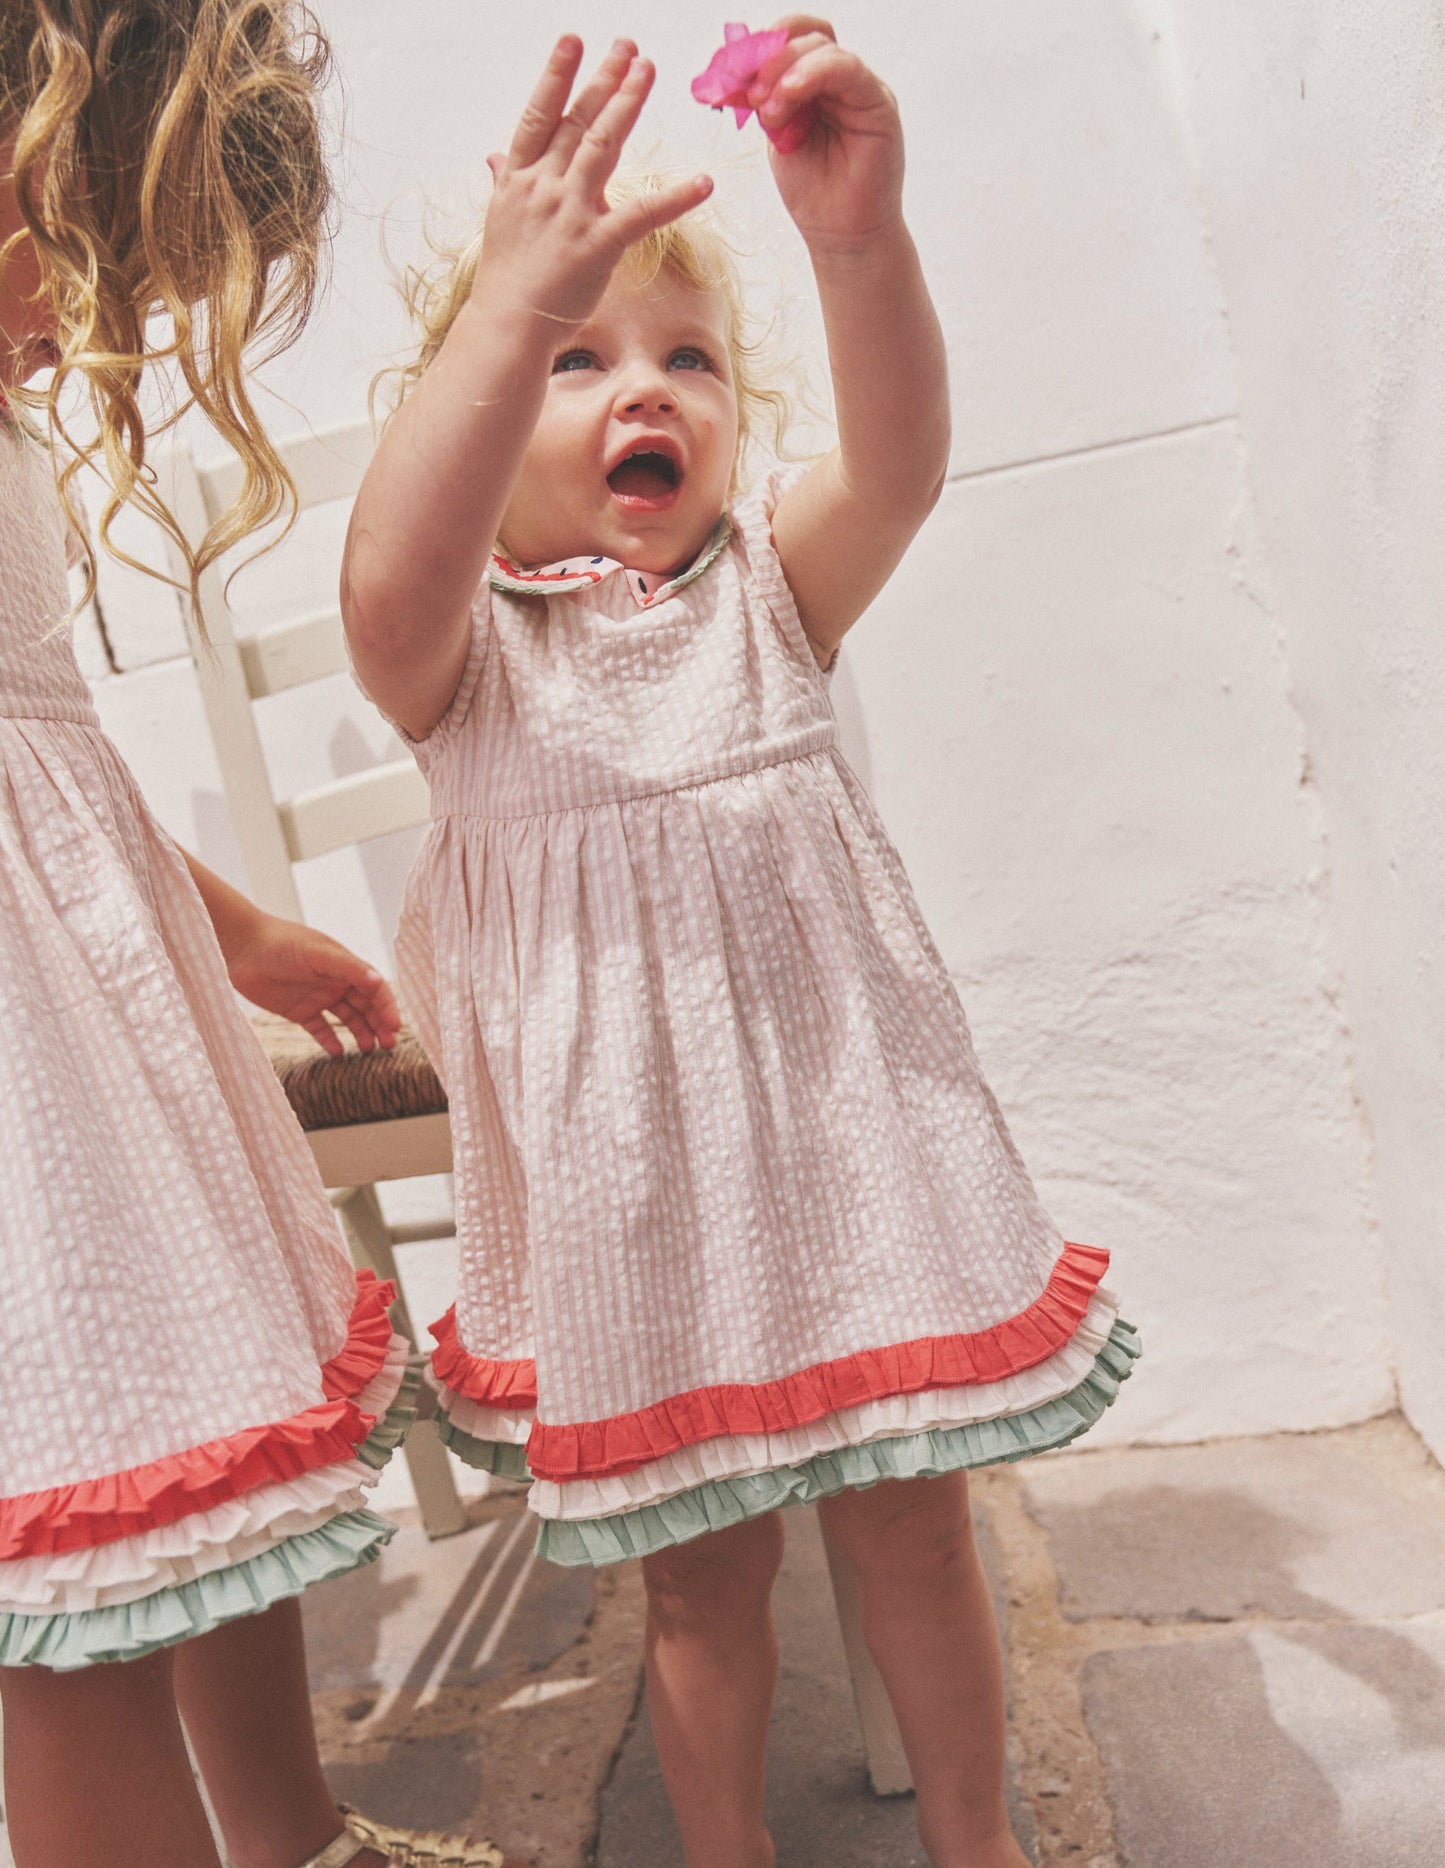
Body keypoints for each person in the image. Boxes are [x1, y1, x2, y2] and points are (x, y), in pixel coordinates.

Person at [342, 21, 1141, 1868]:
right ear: (476, 415)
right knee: (701, 1583)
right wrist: (506, 304)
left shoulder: (770, 592)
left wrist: (856, 244)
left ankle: (975, 1838)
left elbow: (902, 462)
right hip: (629, 1206)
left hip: (849, 1159)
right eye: (575, 356)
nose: (645, 388)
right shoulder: (464, 664)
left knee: (917, 1528)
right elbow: (386, 570)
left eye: (685, 357)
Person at [0, 5, 520, 1866]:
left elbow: (35, 752)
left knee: (209, 1444)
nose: (96, 335)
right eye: (101, 273)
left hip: (94, 1011)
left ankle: (297, 1840)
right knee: (75, 1589)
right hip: (27, 1085)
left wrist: (234, 934)